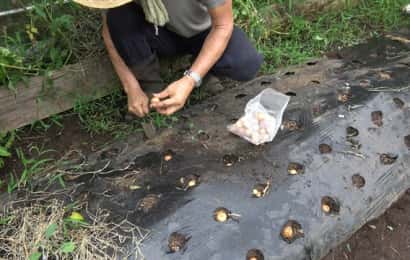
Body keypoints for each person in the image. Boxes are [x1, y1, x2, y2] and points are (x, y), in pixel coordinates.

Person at [72, 0, 263, 117]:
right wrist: (131, 87)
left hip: (204, 32)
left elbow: (223, 25)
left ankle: (203, 72)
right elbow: (110, 31)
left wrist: (190, 80)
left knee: (245, 63)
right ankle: (152, 90)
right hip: (160, 33)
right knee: (118, 17)